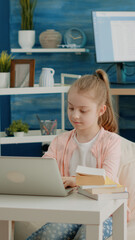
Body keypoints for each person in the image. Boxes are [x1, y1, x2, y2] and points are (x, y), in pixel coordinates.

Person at [26, 69, 121, 240]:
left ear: (101, 110)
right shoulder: (60, 141)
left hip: (105, 213)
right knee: (48, 234)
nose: (75, 115)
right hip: (70, 211)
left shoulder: (111, 141)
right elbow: (44, 170)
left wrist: (74, 180)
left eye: (83, 110)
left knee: (88, 235)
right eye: (71, 108)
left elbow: (109, 179)